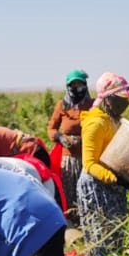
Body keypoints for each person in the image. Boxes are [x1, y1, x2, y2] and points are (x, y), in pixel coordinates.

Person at [75, 72, 129, 256]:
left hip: (112, 186)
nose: (125, 104)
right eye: (120, 99)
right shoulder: (95, 123)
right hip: (96, 188)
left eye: (126, 100)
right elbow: (90, 163)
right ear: (107, 99)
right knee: (99, 244)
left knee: (114, 241)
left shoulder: (115, 121)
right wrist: (115, 178)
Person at [47, 70, 92, 220]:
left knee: (86, 193)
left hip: (87, 158)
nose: (76, 88)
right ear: (68, 87)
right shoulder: (62, 106)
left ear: (85, 86)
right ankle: (71, 225)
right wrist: (60, 137)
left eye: (80, 84)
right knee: (69, 194)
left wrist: (82, 139)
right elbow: (51, 129)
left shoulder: (91, 106)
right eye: (73, 85)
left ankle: (87, 222)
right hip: (68, 160)